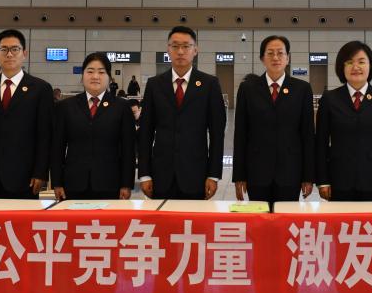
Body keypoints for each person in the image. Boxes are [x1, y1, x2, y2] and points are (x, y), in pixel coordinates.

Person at [138, 27, 226, 200]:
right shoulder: (155, 84)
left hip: (196, 174)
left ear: (195, 50)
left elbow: (217, 134)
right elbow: (146, 132)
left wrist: (213, 175)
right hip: (161, 175)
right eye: (175, 46)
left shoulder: (209, 84)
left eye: (186, 46)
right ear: (168, 49)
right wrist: (145, 174)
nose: (180, 51)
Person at [0, 29, 53, 199]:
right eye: (4, 49)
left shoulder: (41, 89)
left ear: (24, 53)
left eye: (15, 49)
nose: (9, 54)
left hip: (26, 178)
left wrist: (40, 172)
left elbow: (45, 135)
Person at [233, 35, 314, 208]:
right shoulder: (248, 89)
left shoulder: (302, 89)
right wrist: (239, 175)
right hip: (257, 171)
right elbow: (240, 133)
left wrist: (308, 176)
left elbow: (307, 135)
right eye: (270, 53)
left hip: (290, 171)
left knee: (286, 220)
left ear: (288, 58)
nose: (275, 57)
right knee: (259, 219)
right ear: (262, 58)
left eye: (280, 53)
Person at [315, 41, 372, 202]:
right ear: (341, 67)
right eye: (349, 62)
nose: (355, 67)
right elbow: (321, 143)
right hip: (338, 180)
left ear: (370, 65)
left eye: (361, 61)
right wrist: (323, 180)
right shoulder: (329, 99)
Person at [52, 53, 135, 201]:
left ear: (109, 77)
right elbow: (57, 147)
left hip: (110, 184)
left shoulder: (121, 107)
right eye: (90, 71)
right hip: (73, 184)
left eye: (101, 72)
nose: (95, 76)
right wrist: (57, 182)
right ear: (82, 75)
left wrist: (126, 184)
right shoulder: (66, 107)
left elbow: (128, 149)